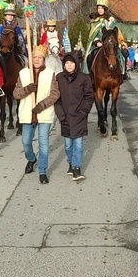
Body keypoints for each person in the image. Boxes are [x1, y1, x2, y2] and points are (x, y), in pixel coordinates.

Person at [13, 44, 59, 184]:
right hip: (28, 113)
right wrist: (27, 89)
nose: (37, 60)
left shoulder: (50, 73)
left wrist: (42, 105)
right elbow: (16, 93)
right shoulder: (24, 73)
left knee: (43, 143)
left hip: (43, 113)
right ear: (31, 59)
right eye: (34, 57)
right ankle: (32, 159)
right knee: (26, 141)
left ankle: (43, 171)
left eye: (39, 57)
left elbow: (55, 94)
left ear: (44, 59)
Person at [54, 52, 94, 181]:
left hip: (79, 117)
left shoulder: (84, 78)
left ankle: (77, 168)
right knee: (67, 145)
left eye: (71, 63)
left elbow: (89, 97)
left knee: (78, 144)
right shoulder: (59, 78)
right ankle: (70, 163)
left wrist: (83, 112)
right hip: (65, 117)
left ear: (76, 64)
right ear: (64, 65)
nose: (69, 65)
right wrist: (61, 117)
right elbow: (57, 100)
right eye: (67, 63)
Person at [83, 0, 125, 76]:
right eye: (98, 8)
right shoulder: (94, 21)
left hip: (109, 42)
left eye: (102, 8)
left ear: (105, 9)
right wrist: (97, 42)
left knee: (120, 55)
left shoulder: (111, 20)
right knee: (89, 55)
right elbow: (92, 35)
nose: (100, 10)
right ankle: (89, 75)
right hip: (98, 43)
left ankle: (122, 73)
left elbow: (115, 32)